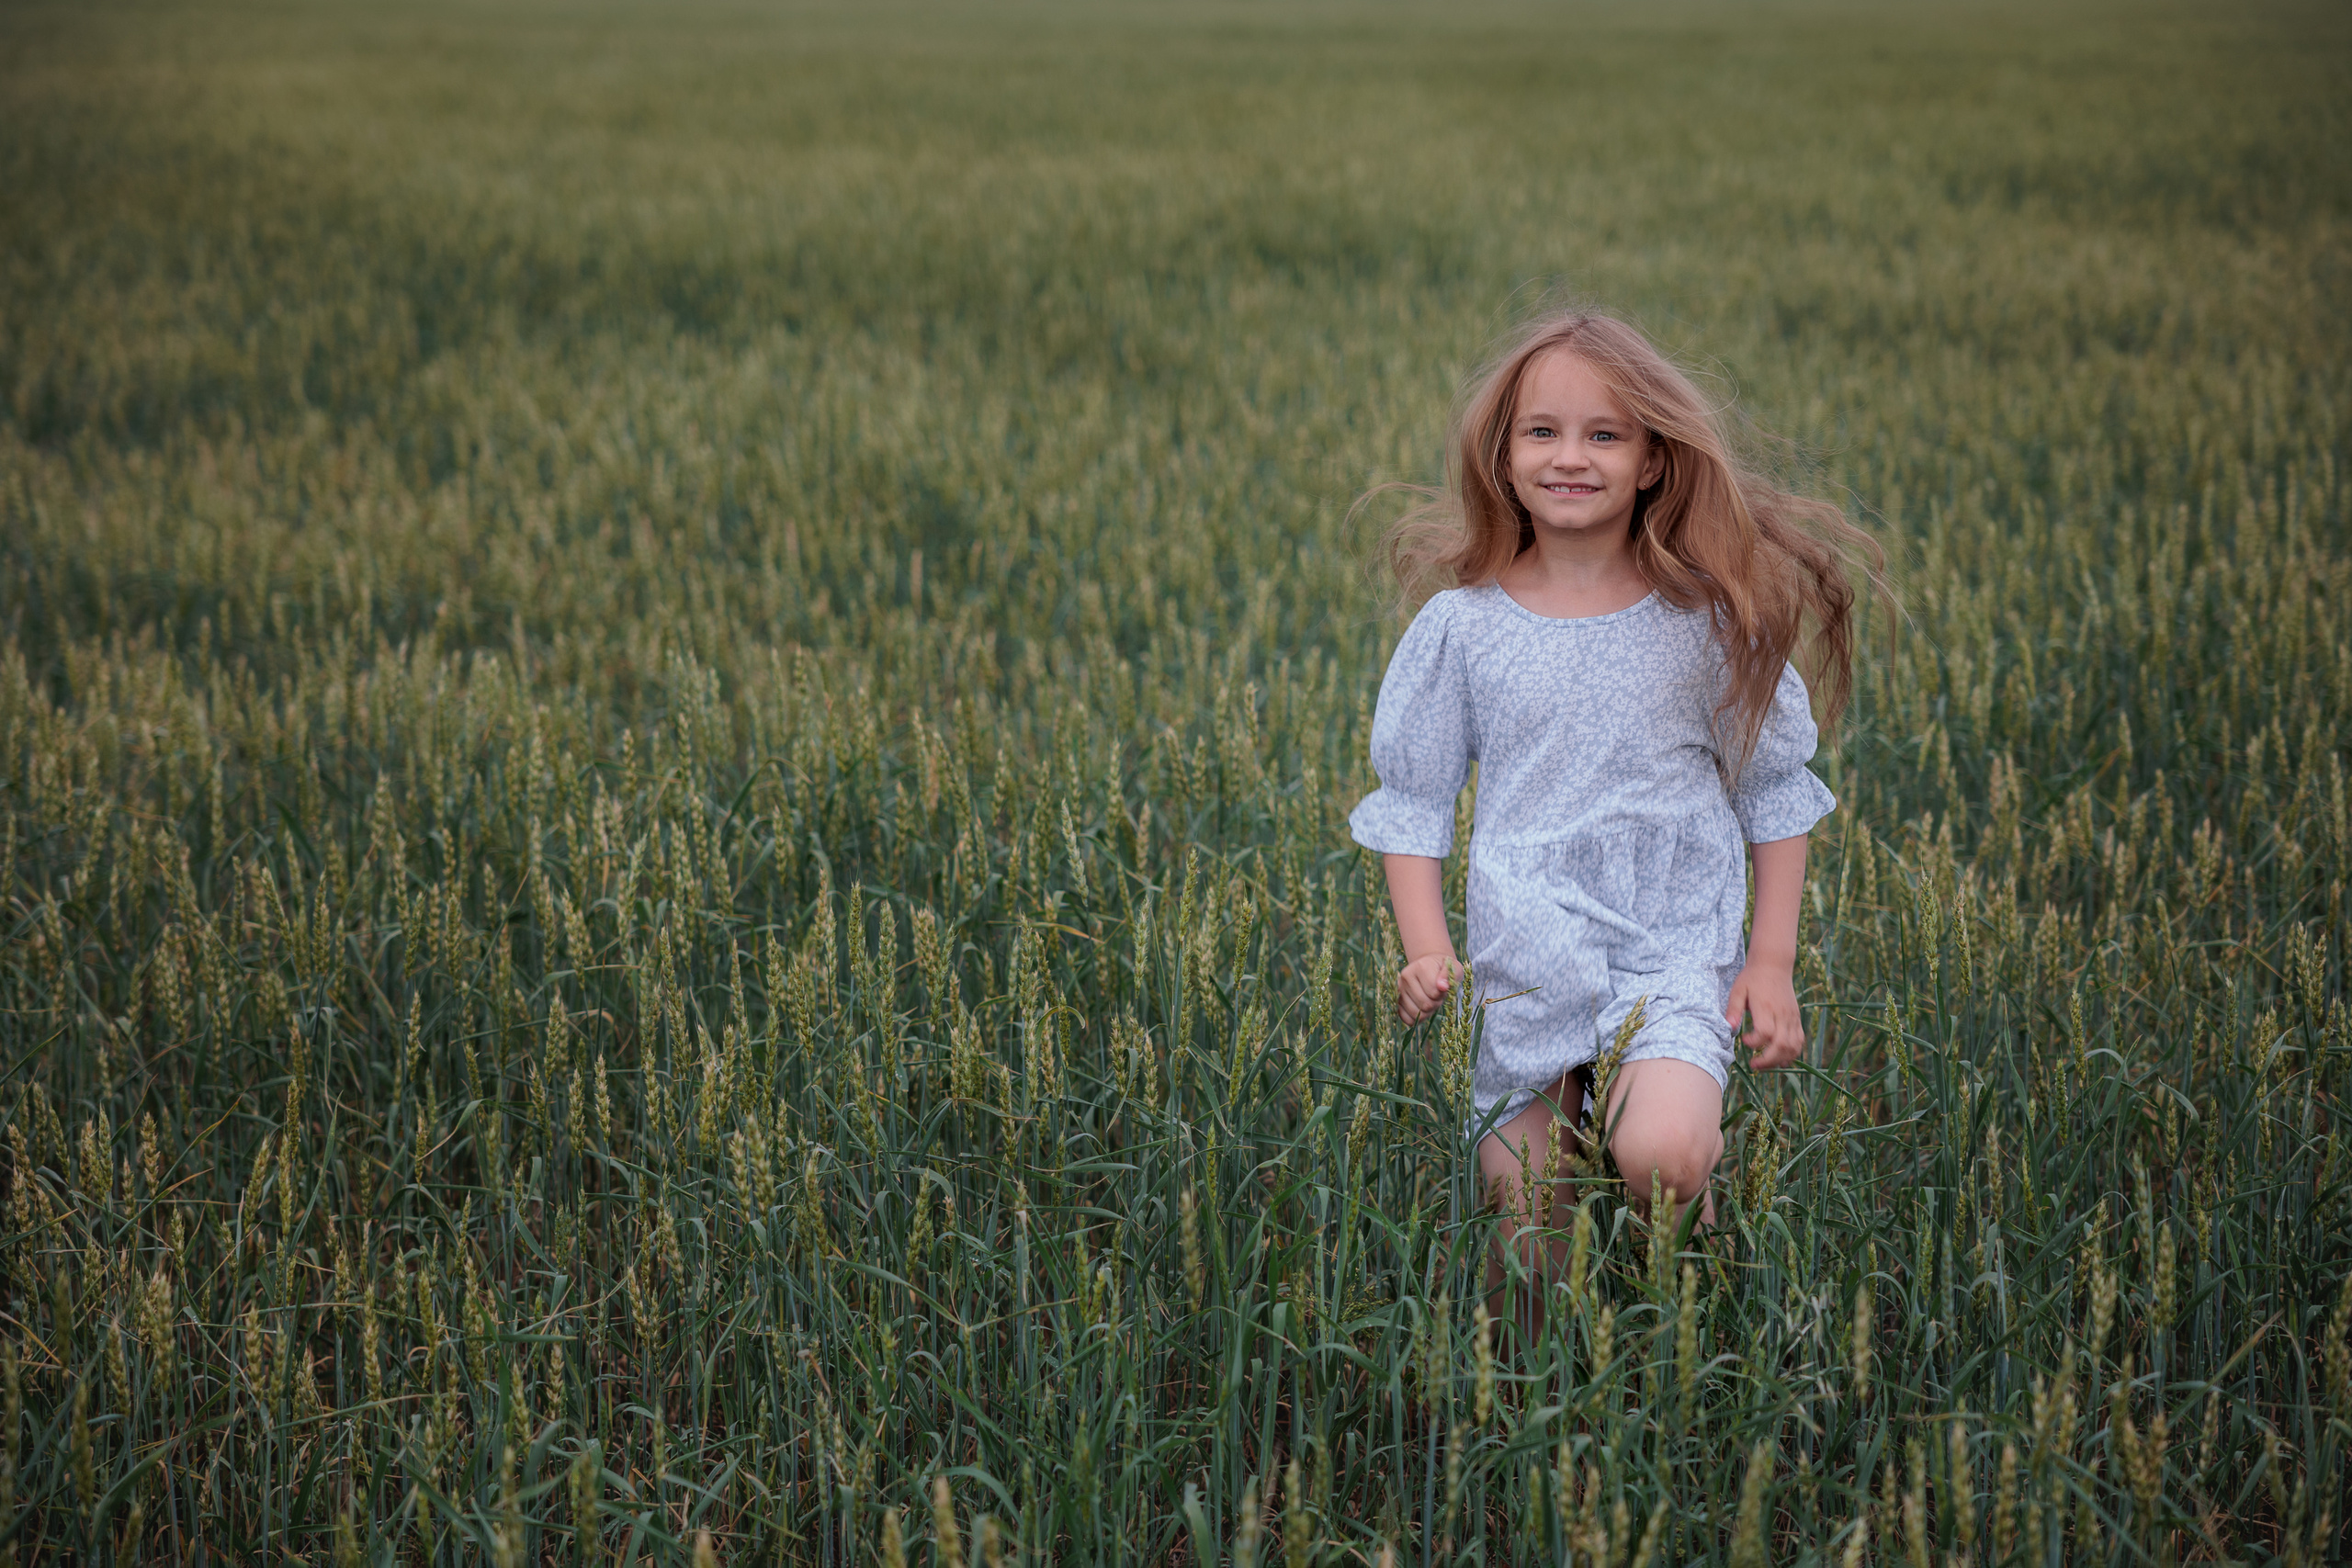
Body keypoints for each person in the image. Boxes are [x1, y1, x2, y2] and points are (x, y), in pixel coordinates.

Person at [1348, 308, 1880, 1290]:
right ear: (1502, 457)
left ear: (1652, 462)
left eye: (1605, 434)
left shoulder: (1707, 621)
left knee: (1664, 1159)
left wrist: (1770, 962)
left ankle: (1706, 1331)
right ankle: (1563, 1424)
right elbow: (1411, 805)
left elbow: (1773, 792)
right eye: (1541, 432)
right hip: (1526, 959)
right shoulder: (1461, 630)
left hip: (1670, 946)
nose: (1570, 456)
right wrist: (1425, 950)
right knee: (1529, 1252)